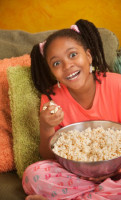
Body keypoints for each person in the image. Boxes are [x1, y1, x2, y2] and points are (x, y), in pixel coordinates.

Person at [22, 19, 121, 200]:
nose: (67, 65)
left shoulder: (117, 85)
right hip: (76, 175)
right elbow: (48, 155)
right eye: (56, 63)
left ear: (89, 56)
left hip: (118, 172)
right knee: (32, 175)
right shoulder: (51, 99)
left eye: (73, 55)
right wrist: (45, 126)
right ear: (52, 72)